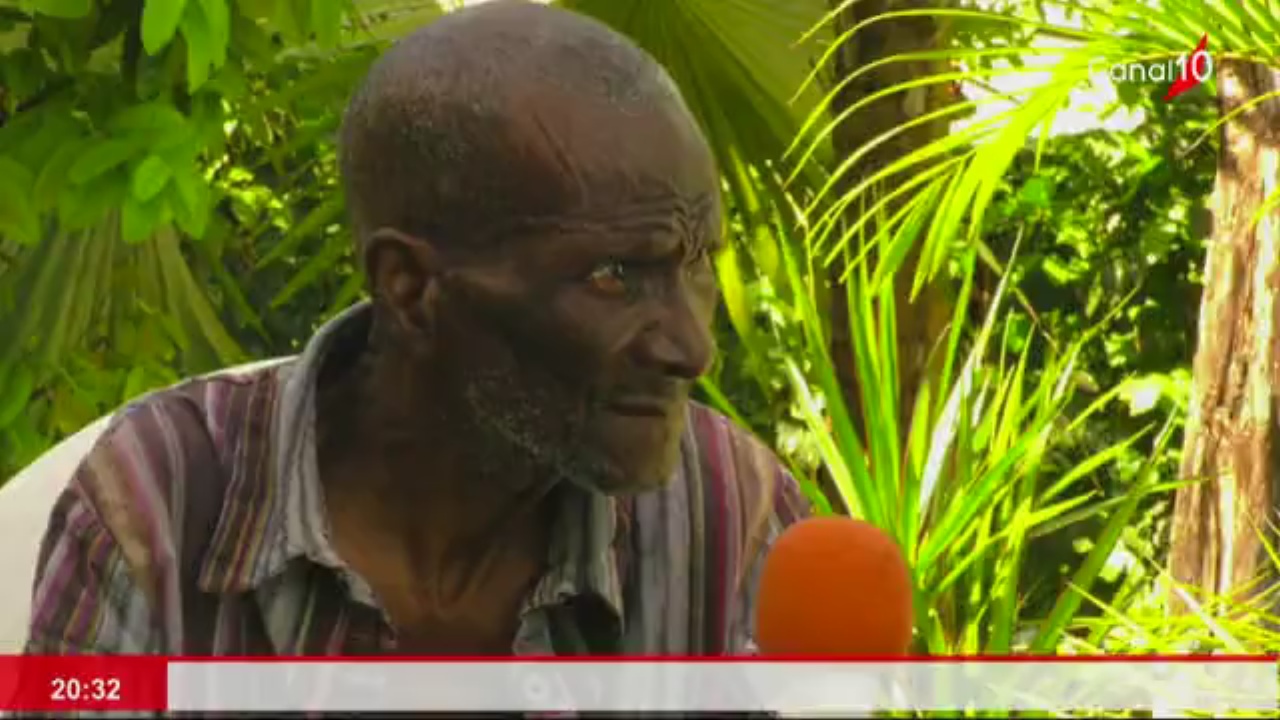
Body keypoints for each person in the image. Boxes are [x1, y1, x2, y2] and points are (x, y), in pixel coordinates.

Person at [24, 0, 808, 658]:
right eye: (614, 276)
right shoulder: (162, 507)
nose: (692, 348)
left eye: (697, 265)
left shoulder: (729, 517)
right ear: (411, 286)